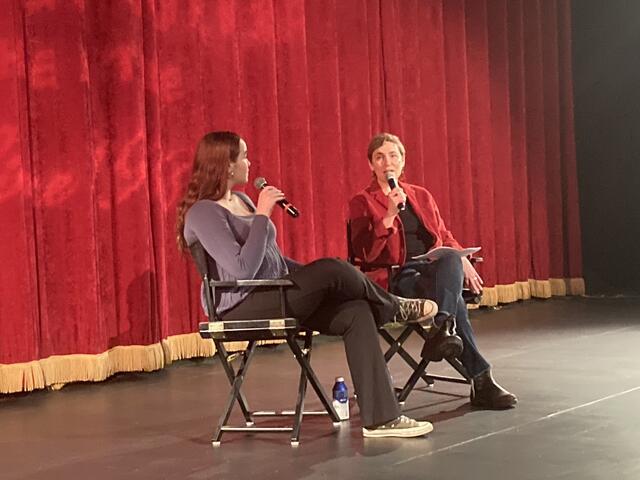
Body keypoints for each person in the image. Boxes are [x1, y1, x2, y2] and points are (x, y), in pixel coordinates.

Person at [176, 131, 439, 438]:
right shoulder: (204, 212)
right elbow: (241, 267)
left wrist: (318, 278)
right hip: (241, 306)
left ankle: (382, 419)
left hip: (275, 293)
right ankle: (394, 307)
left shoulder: (243, 200)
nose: (250, 162)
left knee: (355, 309)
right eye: (244, 156)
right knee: (333, 268)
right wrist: (262, 214)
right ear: (227, 165)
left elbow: (275, 262)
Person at [348, 132, 517, 409]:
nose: (387, 162)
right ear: (371, 165)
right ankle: (478, 374)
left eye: (393, 155)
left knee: (450, 258)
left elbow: (444, 235)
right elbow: (365, 253)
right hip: (394, 277)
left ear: (403, 161)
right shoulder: (362, 201)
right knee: (456, 301)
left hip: (430, 270)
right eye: (379, 157)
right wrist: (389, 214)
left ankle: (442, 327)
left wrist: (462, 259)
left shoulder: (421, 196)